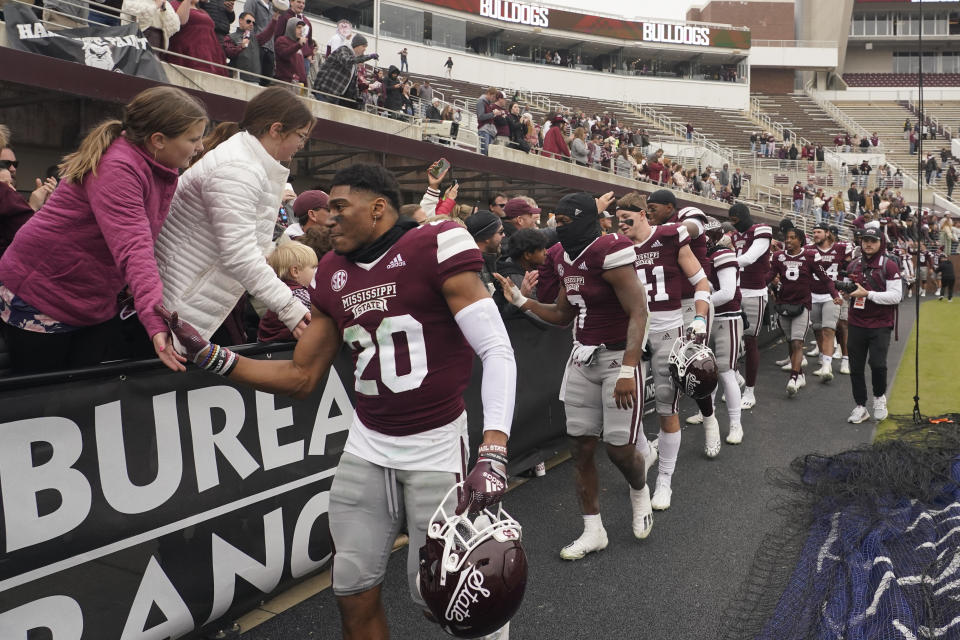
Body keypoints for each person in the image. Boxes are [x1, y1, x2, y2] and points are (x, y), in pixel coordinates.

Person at [159, 163, 517, 640]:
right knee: (351, 587)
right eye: (326, 208)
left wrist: (493, 449)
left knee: (451, 597)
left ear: (377, 208)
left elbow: (496, 349)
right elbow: (303, 375)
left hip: (434, 445)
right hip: (367, 446)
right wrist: (215, 358)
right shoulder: (330, 272)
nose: (327, 218)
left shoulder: (436, 244)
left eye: (339, 207)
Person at [0, 87, 208, 374]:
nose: (200, 147)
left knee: (81, 394)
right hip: (43, 293)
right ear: (158, 140)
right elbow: (135, 248)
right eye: (193, 139)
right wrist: (155, 320)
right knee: (44, 400)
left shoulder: (157, 164)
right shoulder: (118, 167)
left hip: (90, 298)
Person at [496, 191, 652, 558]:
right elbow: (564, 314)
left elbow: (639, 311)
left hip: (618, 358)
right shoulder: (564, 257)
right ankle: (593, 530)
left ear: (584, 219)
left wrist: (630, 367)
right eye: (558, 224)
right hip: (582, 356)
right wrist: (522, 301)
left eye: (566, 223)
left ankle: (639, 490)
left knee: (619, 450)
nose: (560, 230)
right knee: (580, 447)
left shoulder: (608, 251)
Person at [155, 87, 313, 345]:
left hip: (190, 295)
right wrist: (289, 307)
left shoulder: (244, 161)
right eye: (300, 135)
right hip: (183, 299)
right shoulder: (238, 169)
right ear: (275, 129)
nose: (302, 144)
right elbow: (239, 254)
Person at [617, 192, 712, 508]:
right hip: (632, 334)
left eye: (627, 219)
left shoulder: (671, 236)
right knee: (627, 406)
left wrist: (699, 316)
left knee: (666, 409)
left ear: (643, 214)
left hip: (669, 331)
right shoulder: (618, 246)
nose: (622, 226)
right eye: (618, 221)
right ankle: (645, 451)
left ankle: (665, 482)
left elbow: (701, 283)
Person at [767, 228, 840, 397]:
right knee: (790, 341)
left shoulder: (809, 256)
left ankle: (793, 378)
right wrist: (756, 285)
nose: (788, 241)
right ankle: (800, 374)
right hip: (784, 303)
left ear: (800, 240)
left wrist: (834, 295)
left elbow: (825, 279)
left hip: (802, 305)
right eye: (787, 237)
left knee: (797, 343)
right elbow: (770, 275)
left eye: (792, 238)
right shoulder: (779, 257)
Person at [843, 227, 903, 423]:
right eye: (865, 240)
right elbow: (848, 292)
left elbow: (896, 296)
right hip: (856, 322)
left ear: (880, 242)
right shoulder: (852, 265)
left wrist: (868, 294)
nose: (868, 244)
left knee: (878, 364)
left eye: (873, 240)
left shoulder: (889, 265)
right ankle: (860, 406)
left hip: (880, 324)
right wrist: (842, 295)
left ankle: (879, 398)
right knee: (856, 366)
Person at [702, 217, 744, 444]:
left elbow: (727, 292)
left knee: (726, 372)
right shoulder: (705, 255)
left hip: (725, 318)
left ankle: (736, 424)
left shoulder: (722, 254)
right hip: (707, 319)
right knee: (705, 373)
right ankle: (706, 412)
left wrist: (701, 304)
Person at [728, 203, 772, 409]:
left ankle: (750, 391)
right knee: (731, 341)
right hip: (735, 291)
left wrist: (720, 263)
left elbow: (749, 258)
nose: (735, 223)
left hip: (754, 292)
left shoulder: (761, 231)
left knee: (750, 340)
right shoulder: (733, 236)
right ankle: (735, 381)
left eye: (736, 218)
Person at [809, 224, 851, 381]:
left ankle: (845, 360)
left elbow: (851, 267)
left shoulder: (842, 248)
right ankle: (824, 360)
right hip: (814, 294)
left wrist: (847, 288)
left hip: (835, 295)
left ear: (827, 233)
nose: (815, 235)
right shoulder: (809, 249)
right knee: (818, 329)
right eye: (813, 232)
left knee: (840, 327)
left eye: (818, 232)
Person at [257, 240, 317, 342]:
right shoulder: (298, 294)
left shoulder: (280, 294)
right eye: (314, 267)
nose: (317, 271)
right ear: (295, 271)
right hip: (286, 350)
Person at [314, 34, 379, 107]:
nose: (365, 49)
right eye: (363, 46)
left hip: (336, 96)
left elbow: (353, 83)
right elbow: (347, 61)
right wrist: (368, 56)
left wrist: (356, 98)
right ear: (356, 45)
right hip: (325, 92)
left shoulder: (354, 64)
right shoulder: (343, 50)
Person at [168, 0, 228, 76]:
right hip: (189, 52)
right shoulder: (175, 3)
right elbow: (179, 20)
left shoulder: (201, 10)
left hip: (210, 55)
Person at [224, 12, 276, 82]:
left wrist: (274, 20)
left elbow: (267, 34)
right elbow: (229, 53)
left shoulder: (256, 39)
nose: (251, 24)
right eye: (248, 21)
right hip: (238, 78)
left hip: (255, 80)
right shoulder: (230, 37)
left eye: (253, 23)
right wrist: (241, 47)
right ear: (240, 21)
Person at [275, 0, 315, 81]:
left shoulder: (306, 21)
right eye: (299, 2)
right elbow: (278, 35)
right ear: (291, 2)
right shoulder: (284, 16)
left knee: (302, 83)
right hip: (289, 57)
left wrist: (310, 54)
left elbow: (310, 41)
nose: (301, 5)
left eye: (303, 3)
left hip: (304, 59)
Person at [243, 0, 279, 84]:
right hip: (257, 47)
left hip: (270, 49)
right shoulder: (252, 2)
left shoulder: (273, 6)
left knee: (265, 84)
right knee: (253, 80)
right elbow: (247, 24)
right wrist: (250, 44)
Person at [274, 18, 307, 85]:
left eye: (302, 28)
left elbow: (301, 68)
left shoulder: (298, 44)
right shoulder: (282, 40)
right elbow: (284, 54)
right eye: (298, 27)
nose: (301, 30)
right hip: (284, 83)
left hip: (298, 84)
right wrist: (298, 45)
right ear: (291, 27)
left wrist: (305, 83)